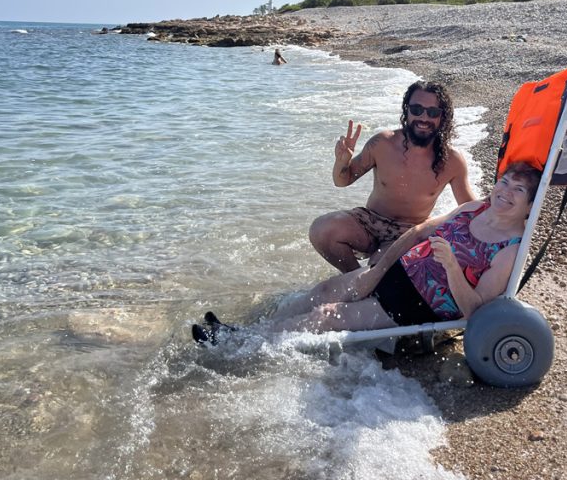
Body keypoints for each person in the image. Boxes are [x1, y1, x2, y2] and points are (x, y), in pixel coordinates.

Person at [192, 162, 540, 344]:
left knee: (327, 316)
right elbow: (419, 232)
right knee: (324, 292)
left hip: (419, 303)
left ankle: (240, 346)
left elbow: (475, 311)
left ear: (529, 205)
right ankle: (250, 331)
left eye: (518, 189)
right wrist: (379, 269)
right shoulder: (473, 210)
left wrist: (450, 265)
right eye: (505, 181)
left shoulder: (510, 250)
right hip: (394, 272)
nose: (505, 191)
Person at [308, 81, 475, 273]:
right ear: (407, 110)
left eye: (433, 112)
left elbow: (469, 209)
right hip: (369, 221)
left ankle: (368, 283)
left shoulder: (452, 161)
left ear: (442, 117)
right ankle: (354, 279)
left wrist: (508, 203)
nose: (423, 117)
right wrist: (342, 161)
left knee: (384, 272)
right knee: (321, 229)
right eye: (417, 109)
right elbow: (342, 181)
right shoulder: (382, 143)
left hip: (409, 232)